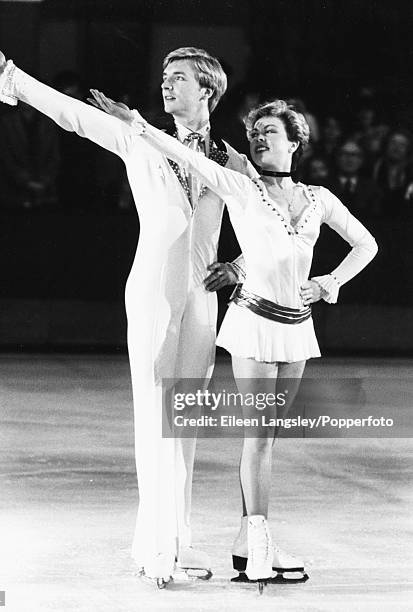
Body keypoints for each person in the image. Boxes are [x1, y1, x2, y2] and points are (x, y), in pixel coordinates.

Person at [0, 35, 256, 587]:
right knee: (154, 415)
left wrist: (237, 265)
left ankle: (178, 543)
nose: (167, 84)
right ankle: (155, 549)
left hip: (201, 294)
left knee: (184, 418)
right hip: (152, 289)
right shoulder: (141, 138)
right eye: (165, 77)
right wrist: (11, 75)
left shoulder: (230, 159)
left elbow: (267, 222)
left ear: (209, 88)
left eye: (180, 78)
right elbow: (71, 116)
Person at [87, 92, 378, 589]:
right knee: (259, 439)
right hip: (253, 324)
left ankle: (249, 541)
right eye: (255, 132)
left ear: (295, 141)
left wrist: (330, 282)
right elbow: (185, 155)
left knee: (269, 439)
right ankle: (258, 546)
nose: (259, 138)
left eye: (270, 132)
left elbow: (366, 244)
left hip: (298, 328)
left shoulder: (319, 199)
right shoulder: (241, 188)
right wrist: (136, 123)